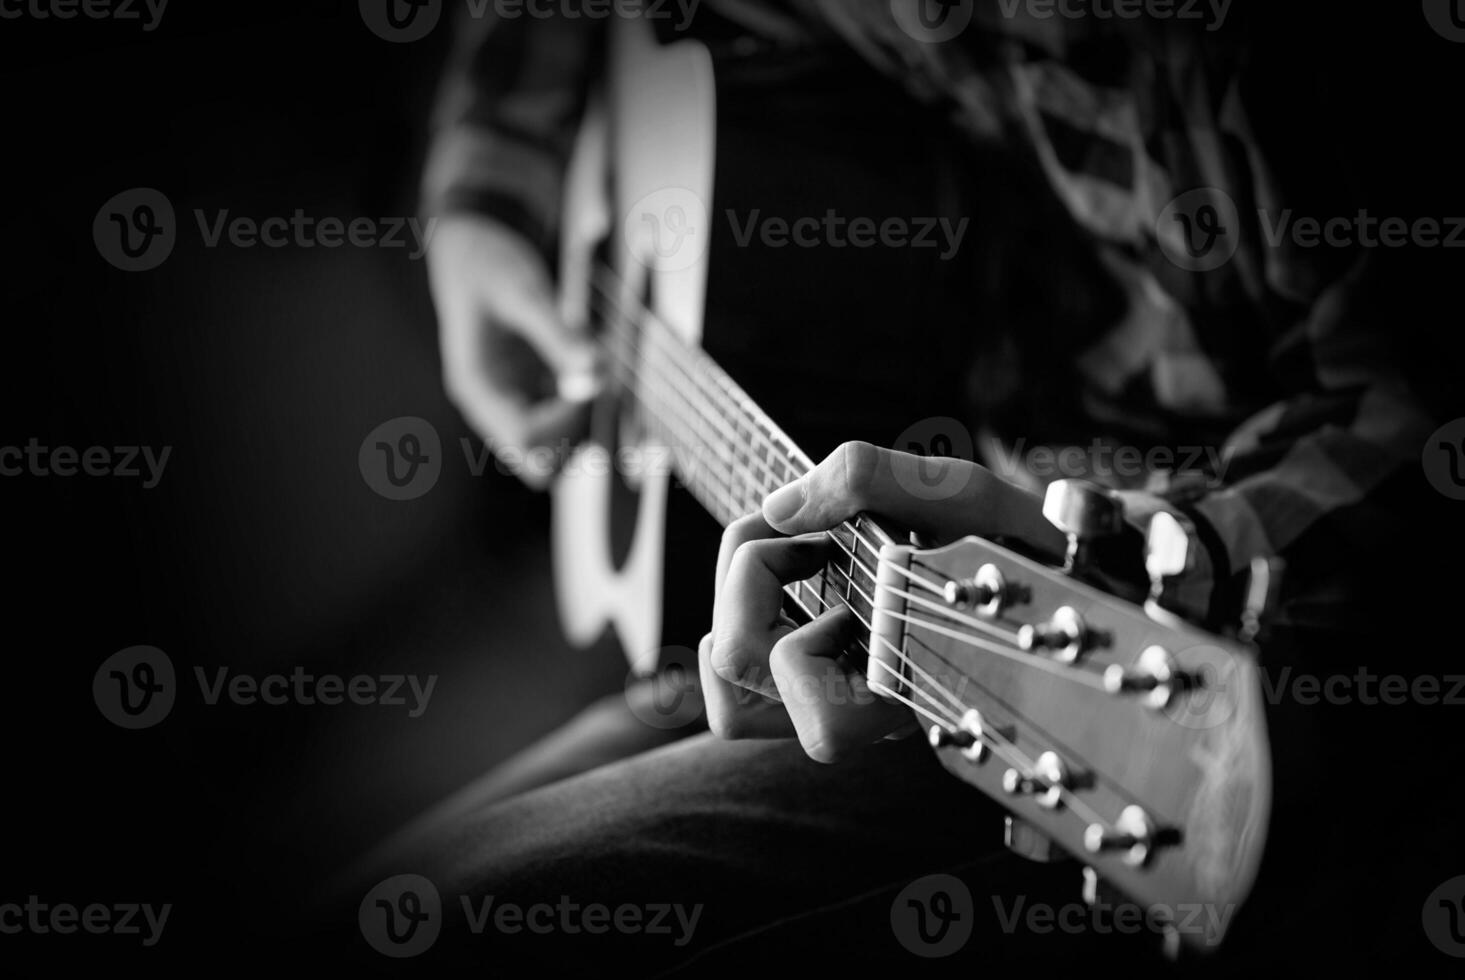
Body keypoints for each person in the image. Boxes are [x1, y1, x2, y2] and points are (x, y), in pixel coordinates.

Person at [360, 2, 1454, 972]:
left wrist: (1146, 544)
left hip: (1092, 648)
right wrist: (484, 204)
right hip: (878, 554)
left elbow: (1420, 417)